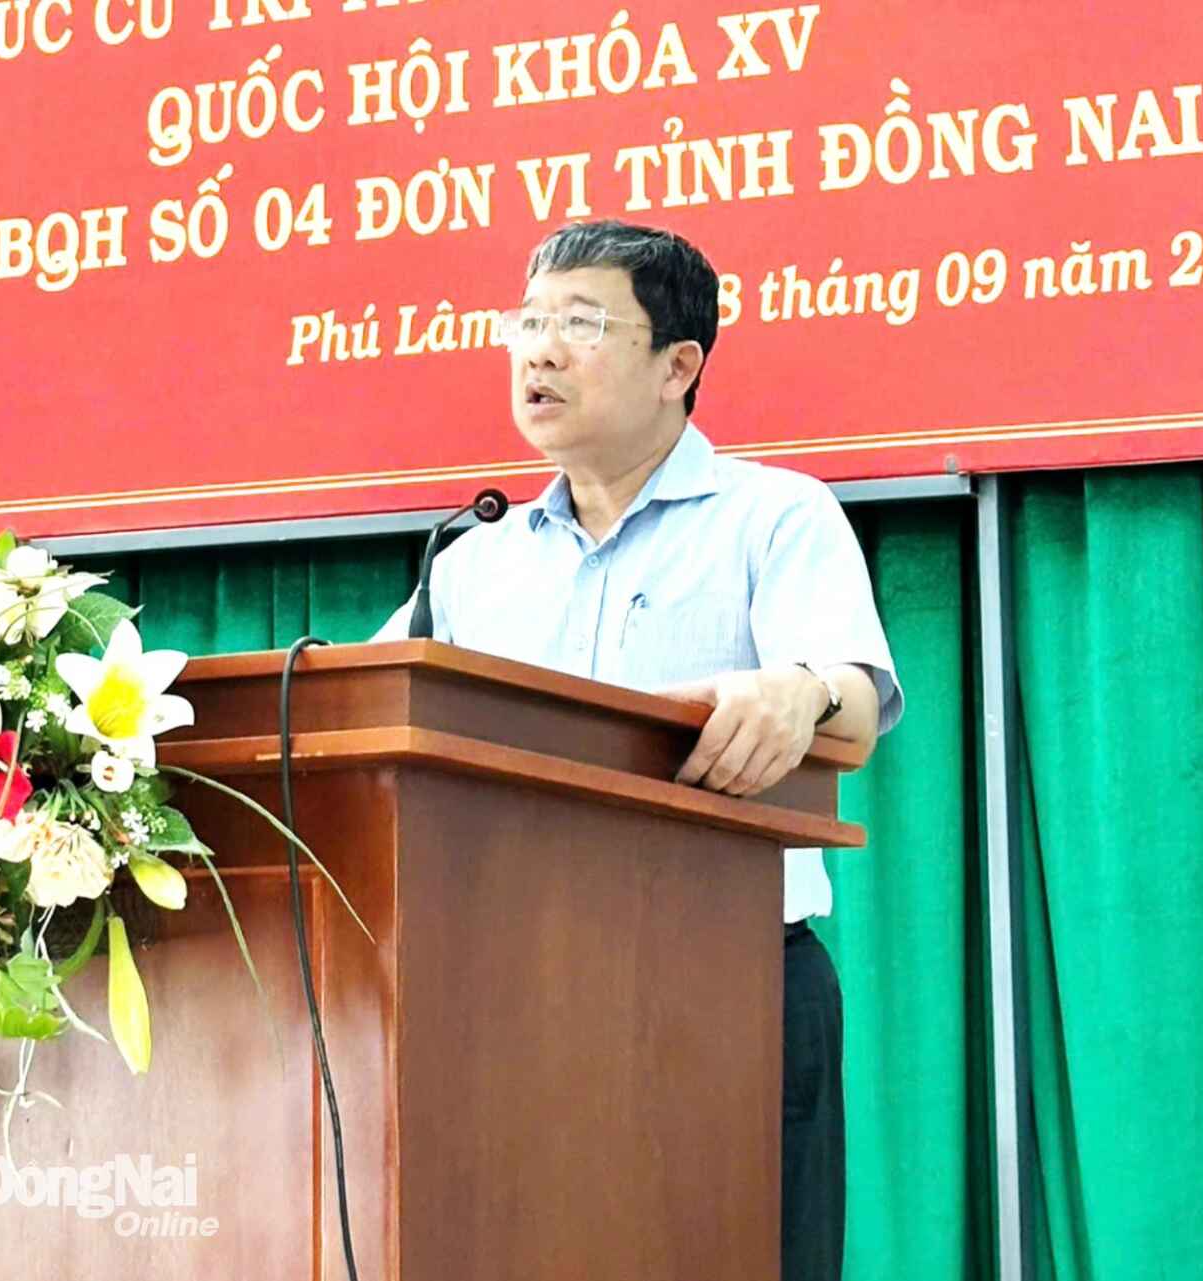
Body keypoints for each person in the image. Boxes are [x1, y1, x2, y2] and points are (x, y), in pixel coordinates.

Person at [376, 220, 903, 1281]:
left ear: (679, 365)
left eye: (579, 324)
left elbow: (853, 706)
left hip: (729, 987)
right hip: (512, 994)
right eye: (526, 326)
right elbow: (367, 713)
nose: (538, 352)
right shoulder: (476, 565)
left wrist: (797, 696)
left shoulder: (774, 516)